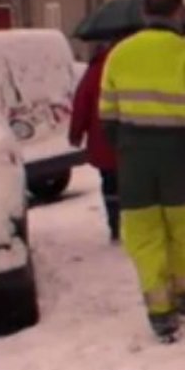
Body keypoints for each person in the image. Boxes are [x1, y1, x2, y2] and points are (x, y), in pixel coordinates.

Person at [100, 0, 185, 343]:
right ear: (178, 12)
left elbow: (107, 116)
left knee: (144, 238)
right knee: (180, 232)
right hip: (178, 162)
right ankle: (182, 294)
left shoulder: (119, 54)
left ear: (144, 12)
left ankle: (160, 312)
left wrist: (126, 150)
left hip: (135, 163)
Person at [69, 40, 125, 242]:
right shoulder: (135, 65)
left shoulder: (96, 69)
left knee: (110, 183)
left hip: (103, 139)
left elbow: (81, 102)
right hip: (134, 138)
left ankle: (115, 225)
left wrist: (76, 133)